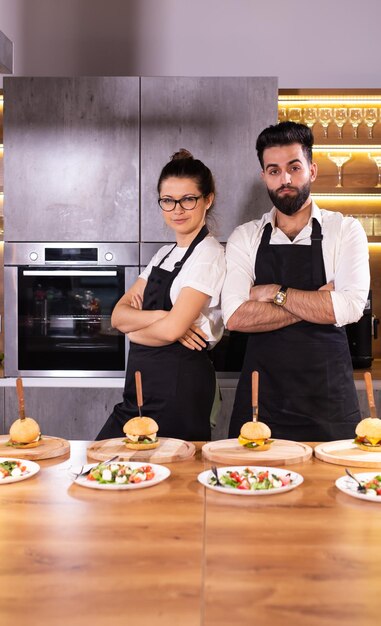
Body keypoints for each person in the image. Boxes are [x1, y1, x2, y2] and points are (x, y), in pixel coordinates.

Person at [222, 121, 370, 442]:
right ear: (264, 176)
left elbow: (350, 307)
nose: (285, 179)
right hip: (262, 404)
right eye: (273, 170)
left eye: (294, 167)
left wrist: (274, 292)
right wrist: (318, 301)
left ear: (312, 170)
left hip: (328, 402)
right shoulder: (245, 237)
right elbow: (234, 316)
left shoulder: (345, 230)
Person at [96, 149, 226, 441]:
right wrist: (161, 316)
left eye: (187, 199)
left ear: (208, 199)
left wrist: (136, 329)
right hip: (140, 391)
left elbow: (170, 329)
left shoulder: (208, 255)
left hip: (179, 391)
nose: (177, 209)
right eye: (168, 201)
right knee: (107, 467)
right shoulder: (163, 254)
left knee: (174, 481)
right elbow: (117, 316)